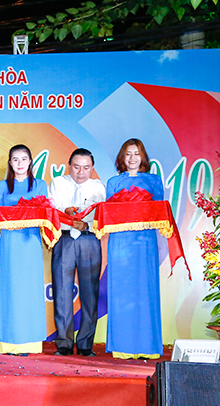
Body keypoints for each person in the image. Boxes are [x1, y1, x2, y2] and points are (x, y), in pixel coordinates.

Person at [105, 138, 164, 359]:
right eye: (128, 153)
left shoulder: (154, 181)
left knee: (145, 290)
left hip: (145, 242)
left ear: (143, 157)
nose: (132, 158)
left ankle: (148, 347)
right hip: (120, 242)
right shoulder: (113, 182)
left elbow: (159, 211)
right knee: (121, 290)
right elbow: (109, 214)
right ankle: (123, 347)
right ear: (122, 157)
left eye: (136, 153)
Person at [0, 144, 48, 355]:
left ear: (30, 162)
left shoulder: (40, 185)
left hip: (30, 241)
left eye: (24, 159)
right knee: (11, 288)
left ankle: (28, 341)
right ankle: (9, 341)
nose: (20, 163)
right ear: (10, 163)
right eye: (15, 159)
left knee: (29, 290)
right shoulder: (3, 186)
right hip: (11, 242)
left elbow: (46, 213)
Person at [48, 148, 106, 357]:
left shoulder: (98, 186)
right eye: (76, 167)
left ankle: (85, 343)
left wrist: (85, 225)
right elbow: (54, 210)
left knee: (90, 293)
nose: (81, 172)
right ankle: (63, 342)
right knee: (62, 292)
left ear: (92, 168)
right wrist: (69, 215)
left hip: (89, 240)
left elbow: (99, 214)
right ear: (69, 165)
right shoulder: (57, 183)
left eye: (86, 167)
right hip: (64, 239)